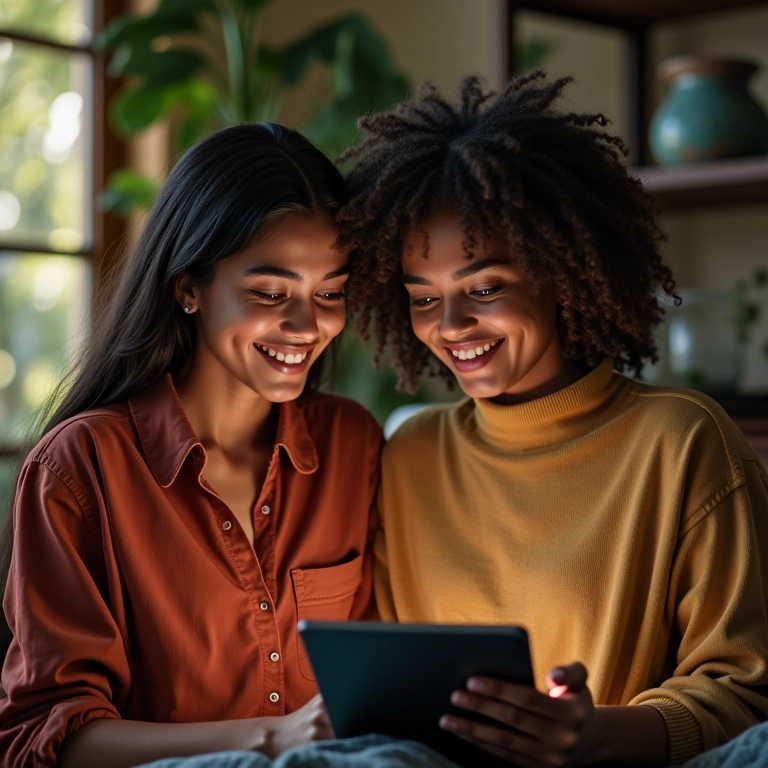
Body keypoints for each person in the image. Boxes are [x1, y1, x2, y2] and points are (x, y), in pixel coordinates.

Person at [338, 73, 768, 767]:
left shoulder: (680, 440)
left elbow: (745, 688)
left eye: (484, 288)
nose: (450, 326)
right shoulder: (410, 452)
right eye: (422, 299)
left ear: (564, 274)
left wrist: (597, 735)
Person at [0, 123, 382, 768]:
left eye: (330, 293)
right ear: (188, 287)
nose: (307, 325)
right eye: (269, 293)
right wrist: (269, 738)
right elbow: (47, 736)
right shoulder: (80, 468)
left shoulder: (353, 446)